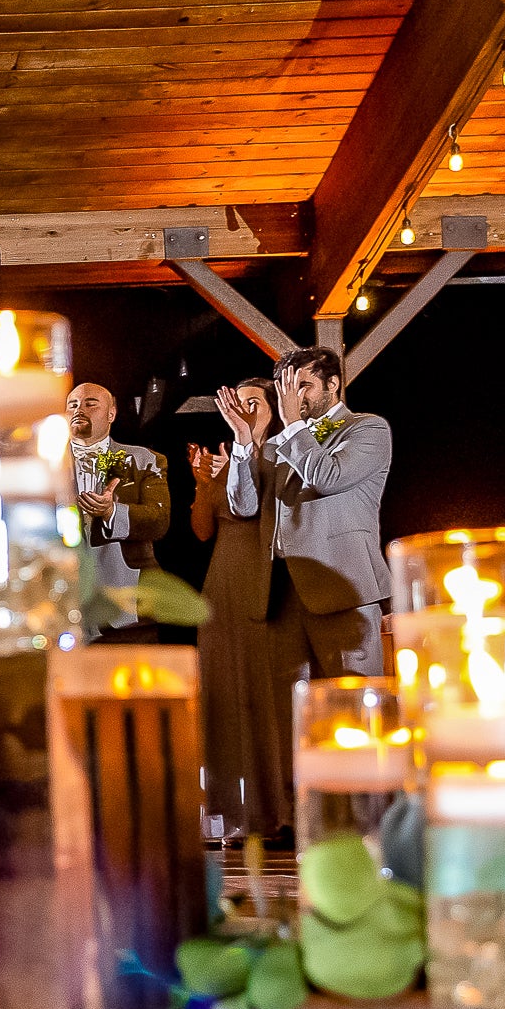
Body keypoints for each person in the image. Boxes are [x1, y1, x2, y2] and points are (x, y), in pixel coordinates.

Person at [220, 345, 393, 680]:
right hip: (282, 595)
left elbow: (328, 478)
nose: (293, 397)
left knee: (354, 700)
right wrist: (242, 441)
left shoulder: (366, 429)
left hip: (341, 589)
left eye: (303, 386)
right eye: (287, 388)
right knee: (296, 711)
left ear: (332, 384)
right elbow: (243, 506)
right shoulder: (278, 443)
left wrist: (293, 425)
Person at [189, 379, 304, 840]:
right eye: (237, 402)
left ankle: (282, 807)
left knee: (269, 691)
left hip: (269, 576)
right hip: (223, 580)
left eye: (252, 401)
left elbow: (257, 506)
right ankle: (233, 811)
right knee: (225, 687)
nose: (243, 408)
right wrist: (202, 485)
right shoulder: (225, 461)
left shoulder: (283, 451)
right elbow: (201, 530)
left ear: (273, 409)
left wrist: (244, 452)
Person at [67, 381, 173, 642]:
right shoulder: (45, 463)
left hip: (127, 604)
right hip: (63, 603)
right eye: (73, 404)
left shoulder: (143, 459)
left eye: (91, 403)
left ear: (111, 414)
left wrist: (113, 512)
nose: (80, 409)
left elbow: (159, 521)